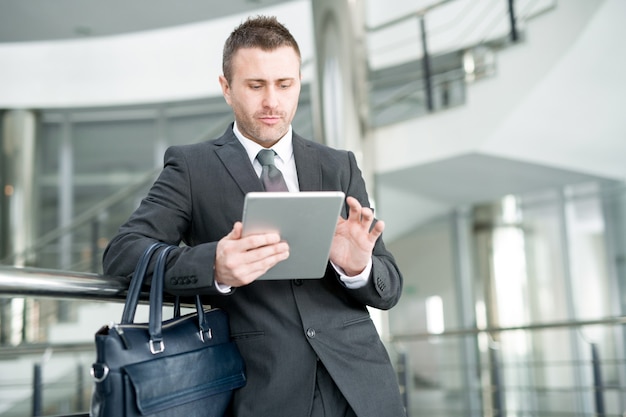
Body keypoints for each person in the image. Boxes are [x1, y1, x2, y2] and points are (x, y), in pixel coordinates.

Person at [103, 15, 406, 417]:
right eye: (255, 85)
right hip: (263, 390)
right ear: (226, 89)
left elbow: (389, 288)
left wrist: (359, 268)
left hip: (363, 390)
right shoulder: (191, 168)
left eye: (285, 85)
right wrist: (214, 265)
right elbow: (123, 254)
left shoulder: (338, 166)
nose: (272, 102)